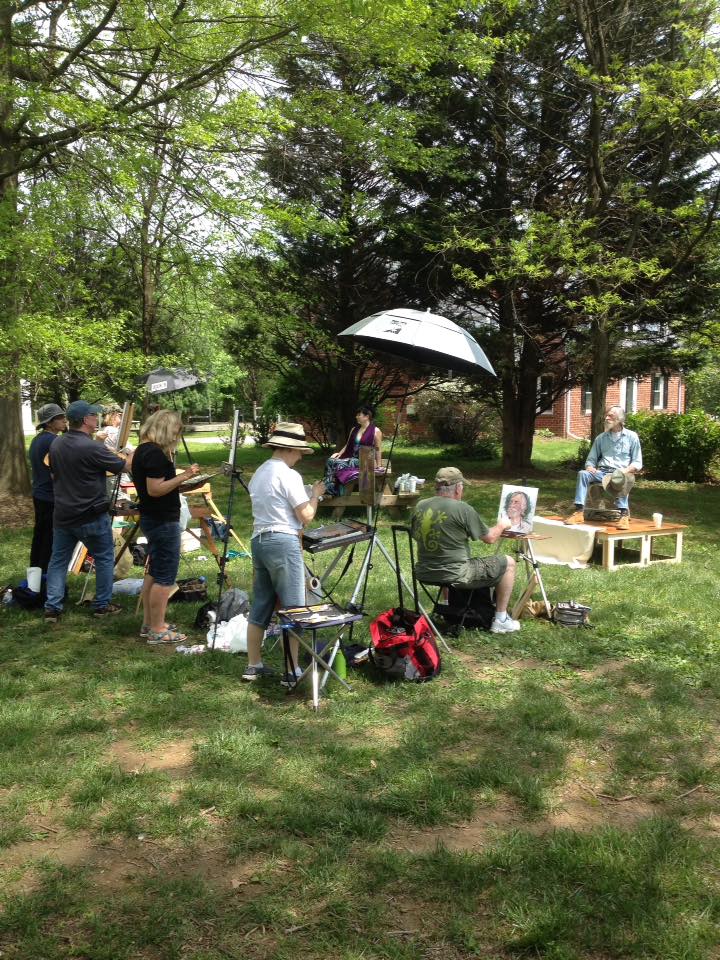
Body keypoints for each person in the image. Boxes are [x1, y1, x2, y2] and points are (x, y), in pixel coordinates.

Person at [242, 422, 326, 685]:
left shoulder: (259, 472)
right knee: (294, 608)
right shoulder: (289, 475)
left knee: (261, 604)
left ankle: (253, 665)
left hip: (259, 540)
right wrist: (315, 495)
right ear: (289, 449)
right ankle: (291, 672)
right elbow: (306, 517)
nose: (300, 457)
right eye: (299, 451)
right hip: (282, 541)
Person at [44, 400, 132, 623]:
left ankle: (52, 608)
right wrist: (134, 451)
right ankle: (102, 605)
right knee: (104, 558)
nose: (98, 420)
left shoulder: (56, 444)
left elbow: (55, 474)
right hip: (90, 514)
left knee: (58, 561)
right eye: (95, 416)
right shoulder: (91, 447)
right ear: (85, 420)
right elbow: (125, 467)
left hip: (63, 514)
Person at [411, 467, 520, 634]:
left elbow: (415, 534)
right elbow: (490, 538)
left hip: (424, 571)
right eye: (462, 487)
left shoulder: (420, 505)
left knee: (445, 555)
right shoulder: (462, 508)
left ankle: (446, 607)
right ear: (457, 488)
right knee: (509, 563)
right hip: (455, 574)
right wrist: (502, 525)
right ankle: (501, 619)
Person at [131, 409, 200, 644]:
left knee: (154, 571)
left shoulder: (144, 450)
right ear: (166, 429)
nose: (177, 436)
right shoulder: (154, 454)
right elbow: (155, 489)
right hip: (162, 520)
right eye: (176, 431)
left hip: (153, 517)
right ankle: (158, 630)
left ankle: (149, 624)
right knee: (164, 576)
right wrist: (185, 476)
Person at [565, 406, 642, 530]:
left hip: (622, 472)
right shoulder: (601, 438)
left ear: (619, 418)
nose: (606, 418)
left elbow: (637, 462)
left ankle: (624, 515)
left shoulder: (631, 437)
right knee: (583, 474)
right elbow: (591, 459)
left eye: (610, 416)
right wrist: (590, 466)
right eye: (606, 415)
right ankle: (579, 512)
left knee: (619, 478)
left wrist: (625, 470)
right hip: (602, 472)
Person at [28, 403, 67, 573]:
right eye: (59, 418)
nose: (64, 420)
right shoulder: (54, 441)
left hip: (39, 494)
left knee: (40, 536)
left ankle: (35, 574)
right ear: (49, 422)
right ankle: (44, 577)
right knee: (49, 539)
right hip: (50, 496)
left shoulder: (37, 439)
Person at [323, 405, 383, 497]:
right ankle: (330, 488)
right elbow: (348, 445)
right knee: (330, 461)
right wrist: (339, 454)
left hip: (366, 461)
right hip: (352, 459)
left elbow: (378, 449)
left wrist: (379, 465)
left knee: (338, 464)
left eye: (359, 415)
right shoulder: (354, 429)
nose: (356, 416)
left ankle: (336, 490)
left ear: (367, 417)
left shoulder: (376, 431)